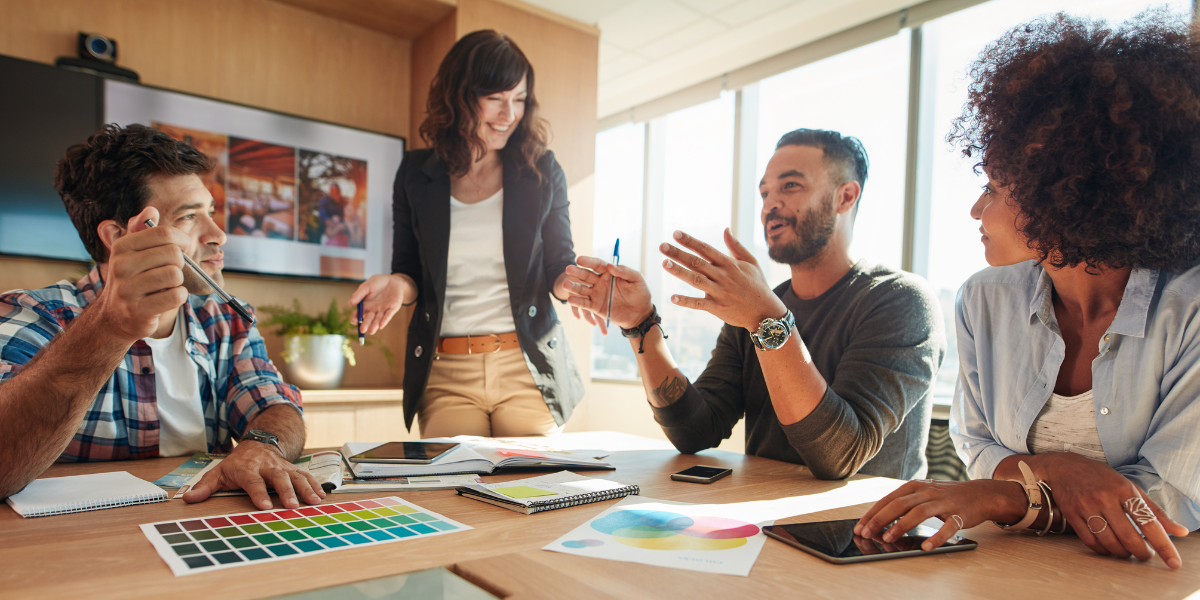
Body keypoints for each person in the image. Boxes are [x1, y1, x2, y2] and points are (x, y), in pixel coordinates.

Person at [855, 11, 1197, 569]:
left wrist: (1009, 495)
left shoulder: (1190, 309)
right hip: (1011, 572)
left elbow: (1171, 498)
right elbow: (978, 447)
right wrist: (1064, 472)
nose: (975, 209)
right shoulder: (982, 300)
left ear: (1070, 188)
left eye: (993, 187)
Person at [564, 129, 945, 480]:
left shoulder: (901, 301)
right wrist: (641, 323)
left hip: (866, 539)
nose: (770, 205)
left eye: (791, 186)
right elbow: (695, 430)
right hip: (763, 524)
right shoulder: (757, 309)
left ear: (845, 196)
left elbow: (839, 455)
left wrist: (766, 318)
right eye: (764, 193)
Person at [0, 124, 324, 510]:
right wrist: (108, 328)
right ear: (120, 236)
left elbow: (274, 405)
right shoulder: (33, 315)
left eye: (211, 212)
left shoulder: (224, 317)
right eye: (189, 217)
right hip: (79, 545)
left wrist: (261, 445)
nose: (218, 234)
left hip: (202, 524)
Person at [349, 30, 584, 438]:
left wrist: (579, 285)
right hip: (446, 373)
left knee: (536, 492)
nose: (509, 113)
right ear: (460, 96)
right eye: (495, 98)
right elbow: (408, 272)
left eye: (520, 99)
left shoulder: (542, 171)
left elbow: (558, 266)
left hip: (526, 366)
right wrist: (394, 285)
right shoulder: (415, 173)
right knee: (450, 494)